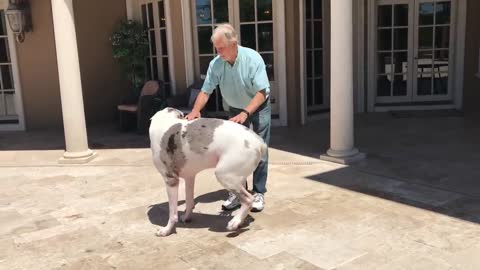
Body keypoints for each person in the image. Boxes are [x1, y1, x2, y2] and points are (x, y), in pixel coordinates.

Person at [185, 23, 271, 212]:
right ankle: (238, 192)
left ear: (233, 43)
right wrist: (195, 110)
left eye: (222, 48)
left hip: (257, 107)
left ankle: (258, 193)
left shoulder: (252, 59)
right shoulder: (216, 64)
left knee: (259, 150)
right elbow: (206, 91)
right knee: (234, 151)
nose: (219, 52)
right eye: (217, 48)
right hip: (234, 107)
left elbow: (261, 92)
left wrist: (245, 113)